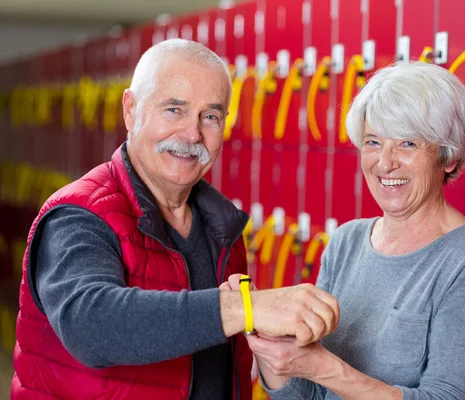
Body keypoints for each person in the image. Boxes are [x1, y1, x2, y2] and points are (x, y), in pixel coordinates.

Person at [11, 39, 339, 400]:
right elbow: (92, 327)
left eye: (210, 116)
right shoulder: (79, 214)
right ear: (131, 111)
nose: (192, 134)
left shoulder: (221, 226)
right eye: (174, 109)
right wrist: (246, 307)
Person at [245, 62, 465, 399]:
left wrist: (323, 367)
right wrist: (271, 347)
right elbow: (305, 396)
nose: (385, 163)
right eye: (372, 142)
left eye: (408, 144)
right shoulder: (346, 242)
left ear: (448, 157)